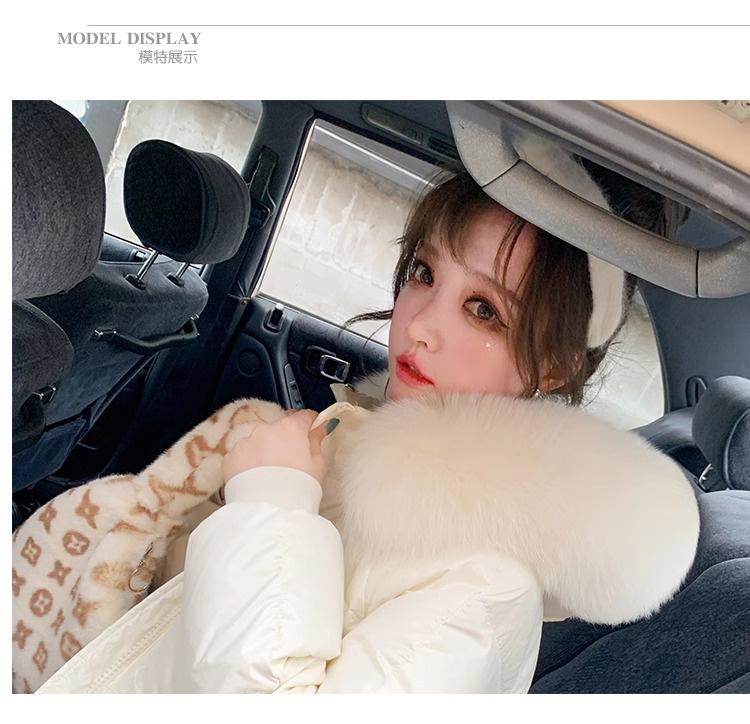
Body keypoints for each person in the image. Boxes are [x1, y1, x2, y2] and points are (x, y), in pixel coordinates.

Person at [37, 145, 699, 694]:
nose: (420, 324)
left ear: (552, 366)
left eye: (484, 310)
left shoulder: (488, 594)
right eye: (424, 272)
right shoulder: (359, 446)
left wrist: (273, 500)